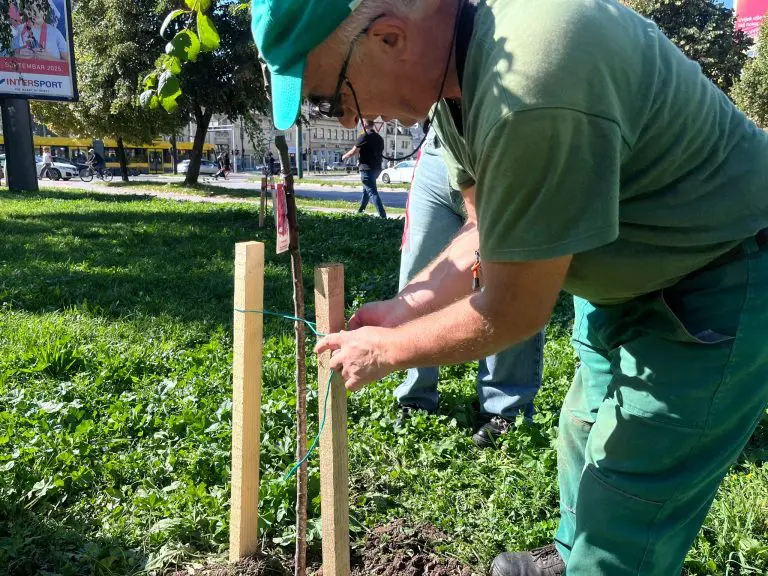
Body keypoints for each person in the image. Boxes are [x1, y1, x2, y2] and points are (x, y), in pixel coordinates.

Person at [253, 1, 768, 575]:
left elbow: (514, 309)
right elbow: (486, 229)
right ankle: (576, 555)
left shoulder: (528, 84)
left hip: (720, 274)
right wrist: (407, 307)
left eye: (331, 96)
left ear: (389, 37)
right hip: (631, 278)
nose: (347, 122)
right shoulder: (455, 83)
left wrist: (386, 350)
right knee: (582, 434)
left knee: (632, 499)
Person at [398, 127, 544, 446]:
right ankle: (415, 397)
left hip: (498, 148)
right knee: (417, 275)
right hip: (439, 153)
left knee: (510, 276)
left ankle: (507, 409)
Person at [343, 118, 387, 218]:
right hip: (377, 168)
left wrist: (344, 156)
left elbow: (353, 151)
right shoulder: (379, 138)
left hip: (366, 169)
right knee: (366, 191)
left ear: (364, 125)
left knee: (372, 192)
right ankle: (360, 212)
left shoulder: (364, 137)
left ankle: (383, 216)